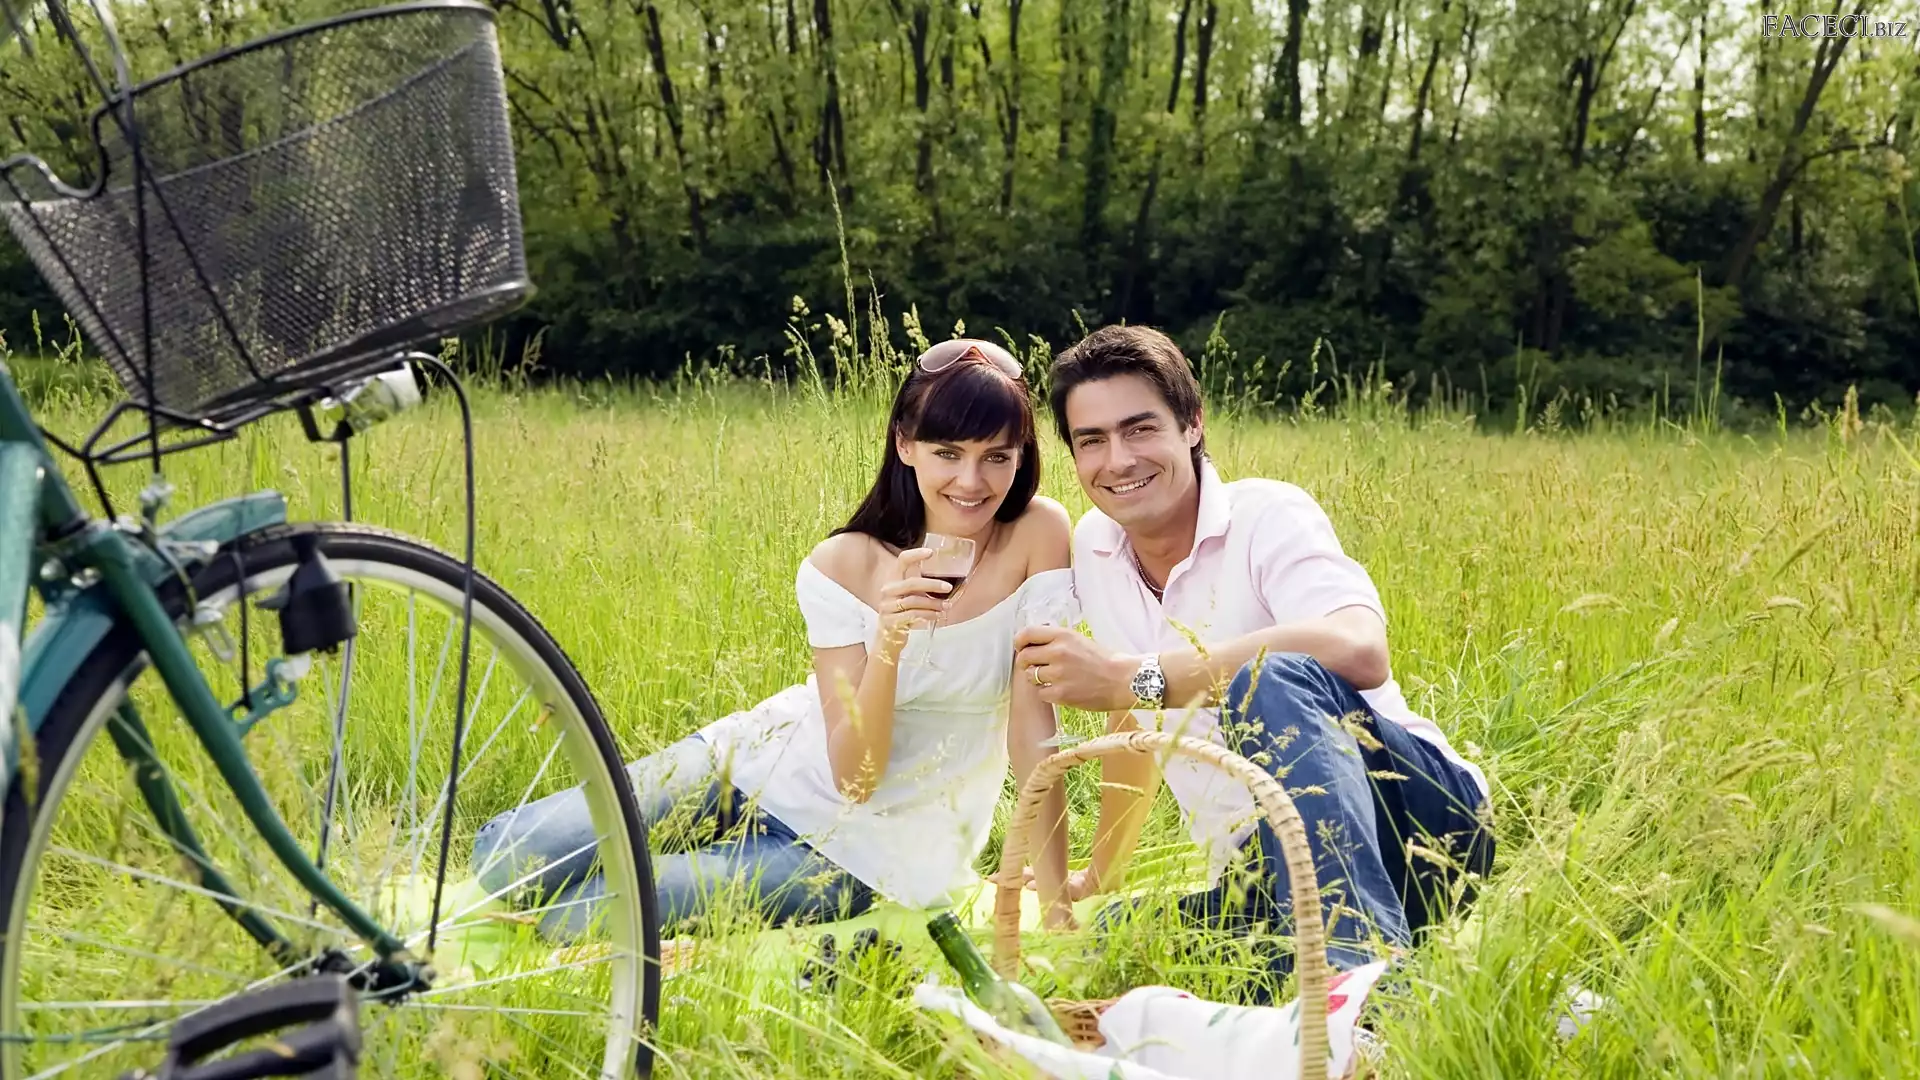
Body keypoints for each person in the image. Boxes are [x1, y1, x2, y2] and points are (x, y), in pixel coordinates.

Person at [471, 339, 1077, 940]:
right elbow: (845, 759)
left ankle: (685, 859)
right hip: (753, 764)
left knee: (582, 914)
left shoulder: (1036, 537)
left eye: (996, 456)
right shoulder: (843, 564)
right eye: (947, 452)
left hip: (866, 851)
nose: (971, 480)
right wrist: (890, 639)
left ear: (1021, 456)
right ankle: (687, 840)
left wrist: (1055, 909)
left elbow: (1014, 740)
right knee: (507, 859)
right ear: (905, 444)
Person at [1013, 324, 1493, 977]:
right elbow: (1132, 722)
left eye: (1140, 429)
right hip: (1263, 865)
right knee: (1118, 941)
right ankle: (1341, 964)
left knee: (1271, 678)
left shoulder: (1267, 515)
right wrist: (1099, 875)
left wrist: (1135, 678)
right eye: (1091, 440)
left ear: (1192, 424)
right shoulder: (1096, 548)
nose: (1118, 460)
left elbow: (1359, 648)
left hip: (1418, 825)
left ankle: (1355, 982)